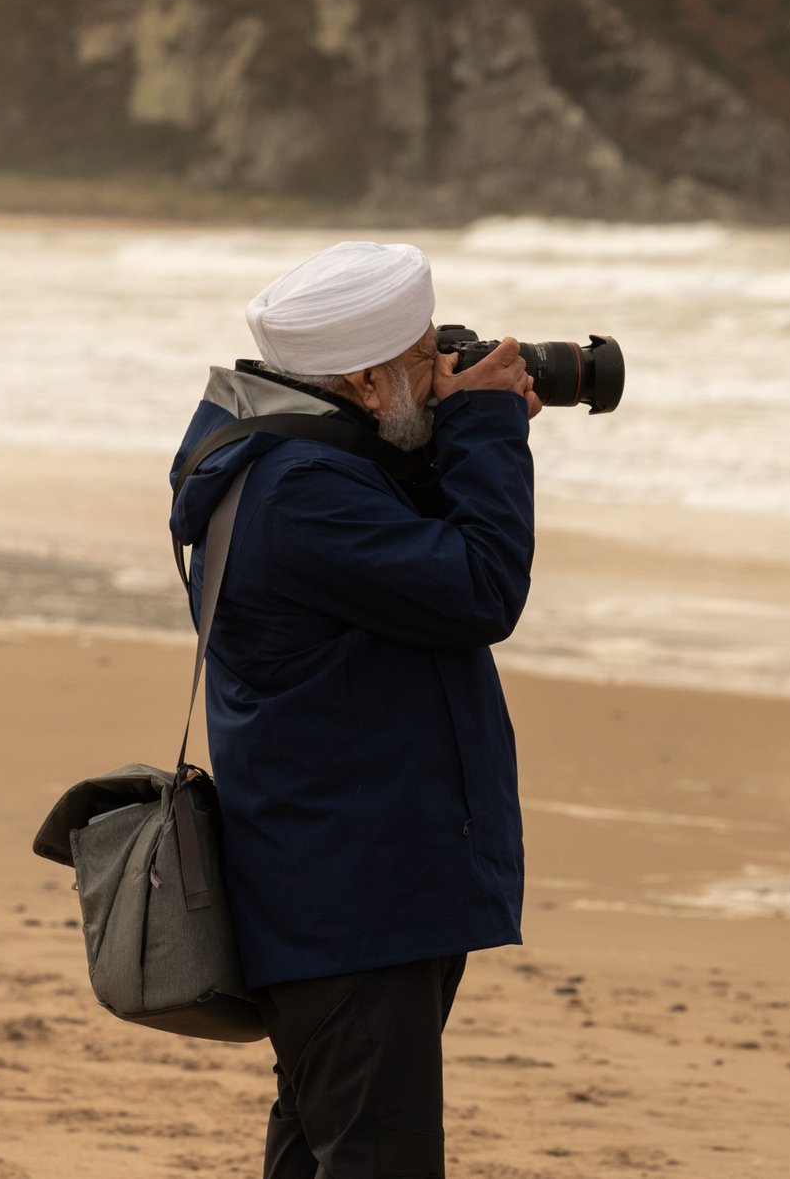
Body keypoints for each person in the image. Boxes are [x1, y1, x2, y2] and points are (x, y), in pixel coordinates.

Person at [167, 240, 540, 1179]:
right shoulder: (304, 493)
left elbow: (399, 563)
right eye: (425, 360)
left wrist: (452, 430)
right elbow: (480, 588)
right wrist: (487, 428)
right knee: (378, 1158)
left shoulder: (291, 457)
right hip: (353, 891)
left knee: (323, 1141)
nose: (444, 371)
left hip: (342, 877)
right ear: (369, 384)